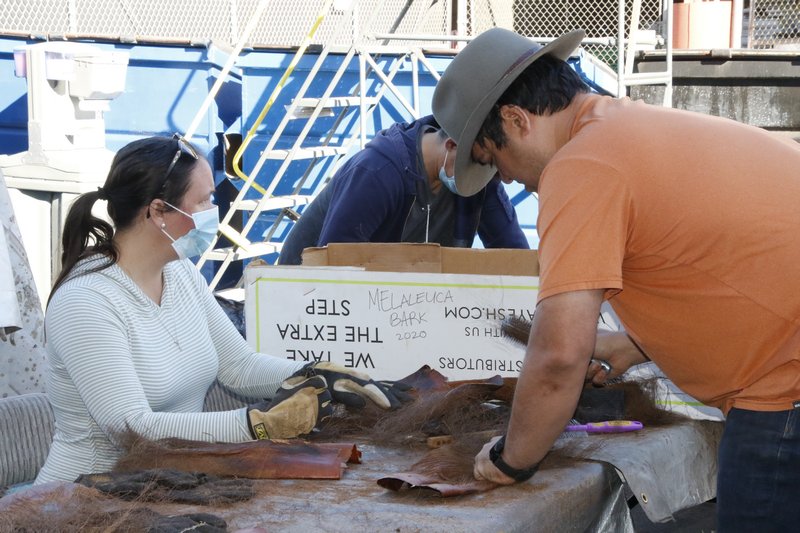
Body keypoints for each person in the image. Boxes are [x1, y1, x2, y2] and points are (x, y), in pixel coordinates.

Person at [432, 27, 800, 530]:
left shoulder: (582, 165)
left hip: (785, 396)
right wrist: (638, 344)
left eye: (496, 159)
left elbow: (558, 356)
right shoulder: (624, 126)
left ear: (516, 120)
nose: (509, 178)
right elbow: (726, 257)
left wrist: (510, 460)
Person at [36, 135, 405, 484]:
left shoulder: (180, 273)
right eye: (204, 201)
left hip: (164, 481)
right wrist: (256, 424)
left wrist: (315, 373)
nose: (214, 212)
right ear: (159, 211)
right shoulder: (86, 301)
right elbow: (130, 427)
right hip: (82, 494)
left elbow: (239, 366)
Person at [277, 115, 528, 265]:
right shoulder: (377, 173)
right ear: (452, 146)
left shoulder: (479, 175)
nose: (500, 178)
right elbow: (333, 267)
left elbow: (516, 258)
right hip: (306, 298)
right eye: (485, 163)